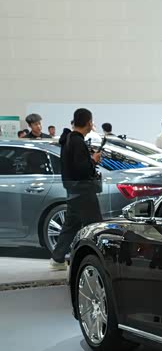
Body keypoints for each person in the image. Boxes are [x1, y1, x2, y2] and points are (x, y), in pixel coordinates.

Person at [50, 108, 104, 269]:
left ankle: (57, 259)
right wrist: (93, 160)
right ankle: (99, 260)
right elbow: (82, 169)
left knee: (71, 225)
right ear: (88, 123)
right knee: (95, 226)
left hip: (74, 190)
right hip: (84, 190)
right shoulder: (78, 142)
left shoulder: (68, 139)